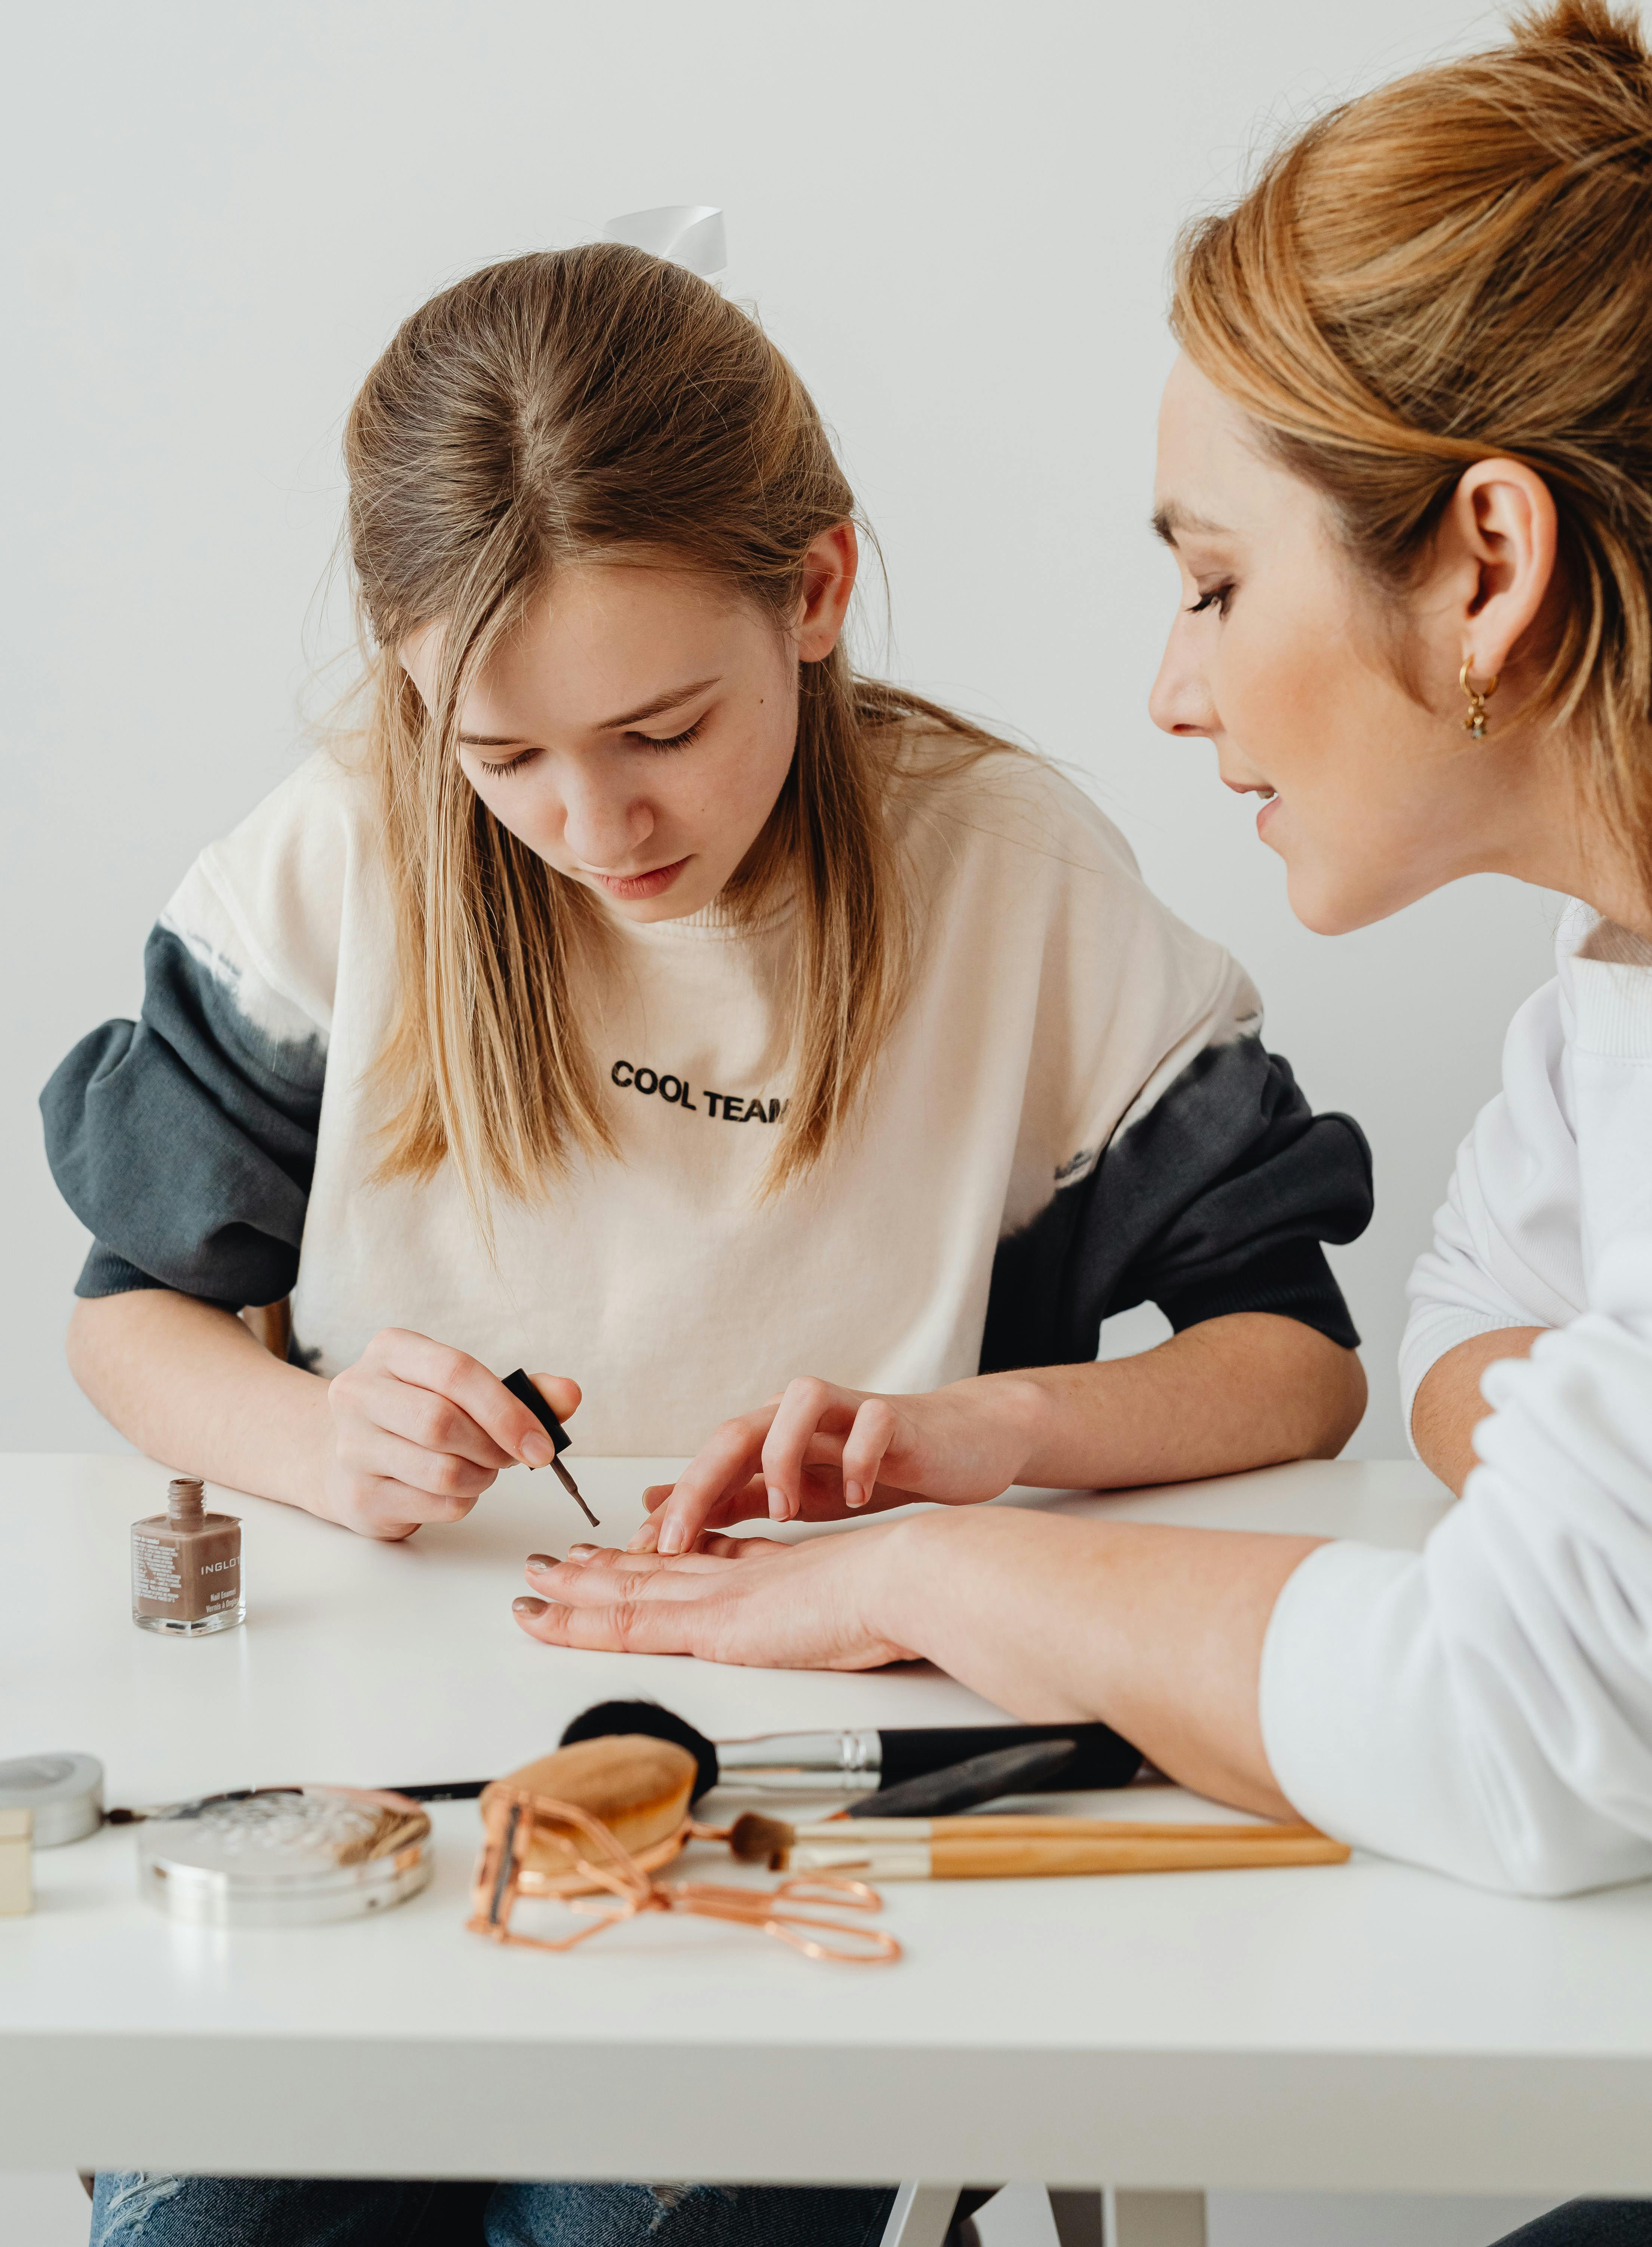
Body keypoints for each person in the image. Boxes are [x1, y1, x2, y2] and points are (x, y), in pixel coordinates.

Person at [49, 244, 1367, 2247]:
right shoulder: (342, 852)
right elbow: (130, 1318)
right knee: (208, 2208)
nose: (597, 823)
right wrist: (320, 1445)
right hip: (359, 1767)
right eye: (502, 761)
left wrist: (980, 1429)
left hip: (805, 1800)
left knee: (606, 2210)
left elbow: (1293, 1357)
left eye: (662, 726)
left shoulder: (1010, 882)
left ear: (816, 592)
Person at [509, 0, 1652, 2244]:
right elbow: (1456, 1326)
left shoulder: (1022, 874)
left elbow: (1520, 1723)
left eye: (1217, 581)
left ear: (1489, 568)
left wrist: (937, 1567)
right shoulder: (1603, 979)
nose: (1170, 678)